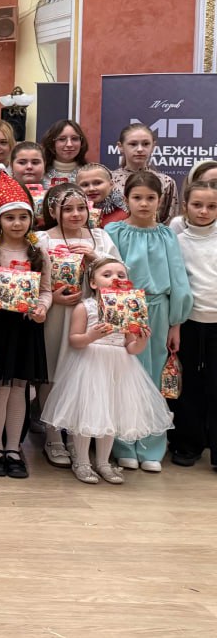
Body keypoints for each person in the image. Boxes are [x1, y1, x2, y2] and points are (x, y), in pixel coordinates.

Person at [41, 256, 175, 485]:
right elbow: (75, 340)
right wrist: (91, 335)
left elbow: (131, 347)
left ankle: (103, 462)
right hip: (90, 365)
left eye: (120, 275)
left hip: (119, 367)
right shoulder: (85, 307)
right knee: (86, 415)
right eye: (107, 274)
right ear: (93, 283)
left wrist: (142, 340)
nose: (115, 278)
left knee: (110, 414)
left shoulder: (128, 310)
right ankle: (82, 461)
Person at [105, 171, 192, 471]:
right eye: (137, 197)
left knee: (153, 378)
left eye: (150, 198)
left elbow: (178, 279)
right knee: (124, 377)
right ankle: (123, 443)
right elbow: (106, 271)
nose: (144, 204)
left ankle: (151, 445)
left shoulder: (167, 235)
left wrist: (176, 322)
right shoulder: (114, 231)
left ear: (160, 200)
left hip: (157, 310)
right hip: (123, 310)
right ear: (126, 199)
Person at [0, 173, 51, 479]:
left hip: (26, 327)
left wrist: (42, 307)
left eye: (23, 217)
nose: (17, 224)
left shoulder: (38, 252)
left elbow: (46, 290)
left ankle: (14, 448)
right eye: (10, 217)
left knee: (19, 388)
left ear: (31, 219)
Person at [34, 184, 120, 467]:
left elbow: (118, 275)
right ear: (53, 211)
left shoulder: (100, 237)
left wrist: (96, 258)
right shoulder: (42, 239)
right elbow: (31, 278)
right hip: (56, 314)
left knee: (81, 375)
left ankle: (75, 435)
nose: (75, 214)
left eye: (81, 208)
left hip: (91, 316)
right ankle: (52, 436)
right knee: (52, 372)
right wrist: (51, 297)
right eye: (67, 209)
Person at [172, 180, 217, 467]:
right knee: (187, 385)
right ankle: (187, 444)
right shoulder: (177, 241)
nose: (204, 211)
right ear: (185, 206)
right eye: (197, 205)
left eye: (212, 206)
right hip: (188, 322)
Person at [112, 123, 180, 224]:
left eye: (145, 144)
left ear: (153, 146)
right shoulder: (109, 181)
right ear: (120, 146)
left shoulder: (166, 182)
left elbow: (170, 223)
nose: (140, 149)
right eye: (133, 144)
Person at [40, 119, 89, 188]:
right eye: (62, 139)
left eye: (74, 139)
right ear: (51, 144)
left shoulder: (91, 174)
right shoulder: (39, 174)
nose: (69, 144)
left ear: (82, 143)